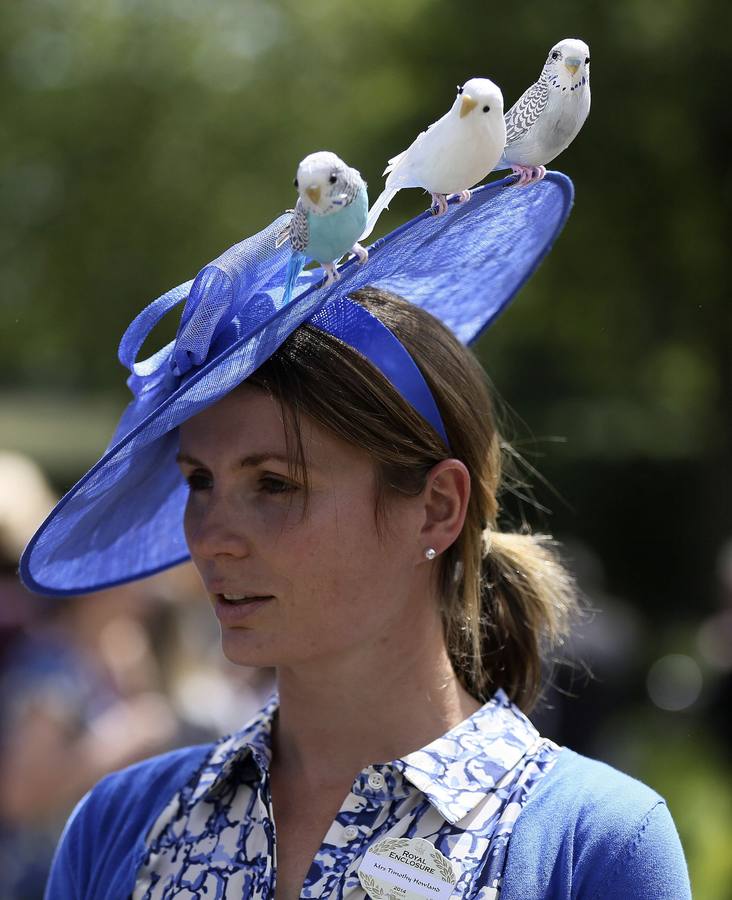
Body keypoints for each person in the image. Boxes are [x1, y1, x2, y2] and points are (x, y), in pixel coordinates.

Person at [20, 175, 691, 899]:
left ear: (437, 508)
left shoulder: (590, 844)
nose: (211, 538)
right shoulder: (121, 824)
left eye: (275, 483)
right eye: (199, 481)